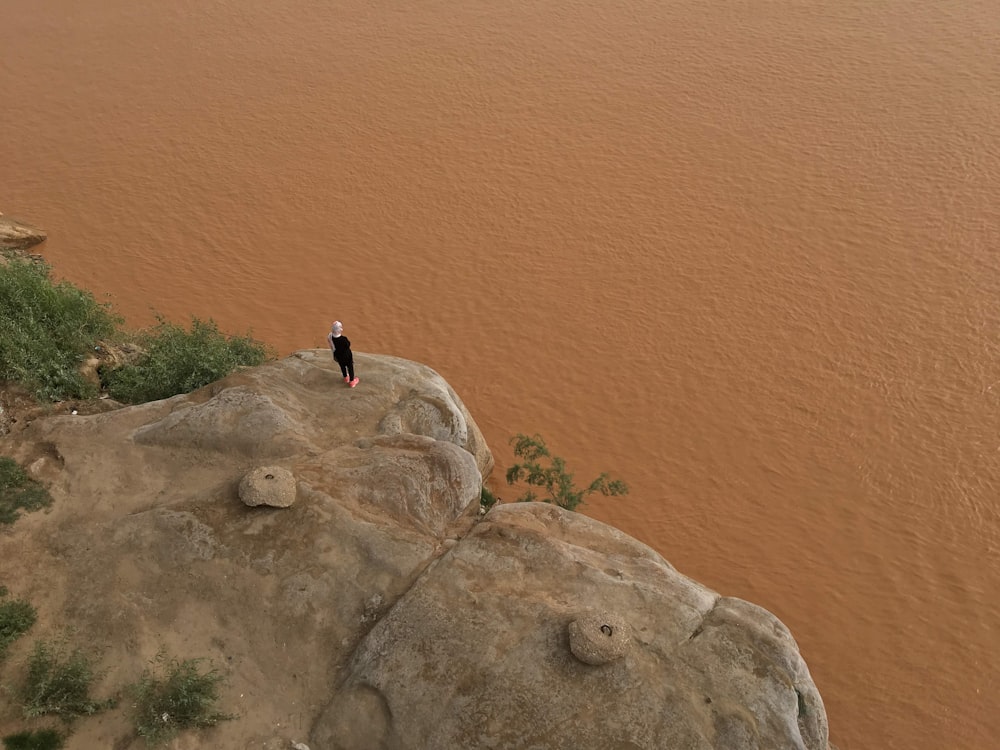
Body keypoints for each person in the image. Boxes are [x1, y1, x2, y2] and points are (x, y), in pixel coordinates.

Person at [327, 320, 359, 387]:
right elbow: (348, 344)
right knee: (350, 367)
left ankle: (345, 377)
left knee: (342, 366)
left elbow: (331, 345)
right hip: (347, 356)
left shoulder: (330, 336)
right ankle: (352, 381)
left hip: (338, 355)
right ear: (339, 330)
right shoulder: (343, 339)